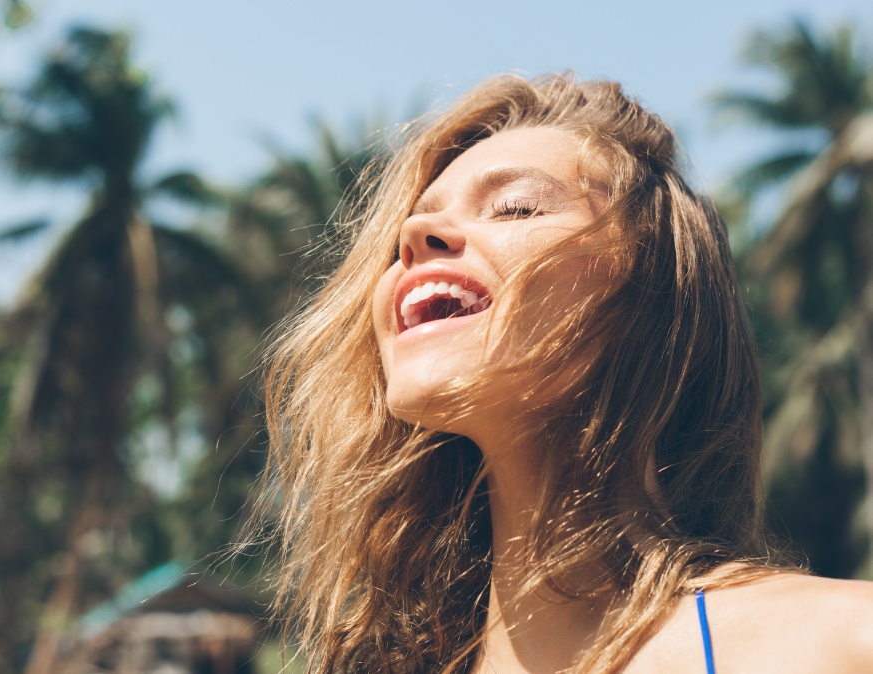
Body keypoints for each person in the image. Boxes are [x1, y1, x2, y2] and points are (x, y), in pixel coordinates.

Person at [257, 74, 873, 673]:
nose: (414, 236)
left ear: (649, 286)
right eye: (403, 236)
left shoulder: (841, 643)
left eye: (514, 207)